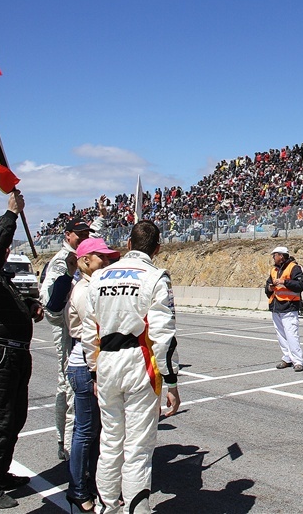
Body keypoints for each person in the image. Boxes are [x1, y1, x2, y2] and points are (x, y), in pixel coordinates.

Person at [81, 220, 180, 513]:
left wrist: (94, 371)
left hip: (106, 363)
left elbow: (90, 331)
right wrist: (172, 382)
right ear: (158, 248)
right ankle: (137, 510)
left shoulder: (99, 277)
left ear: (127, 244)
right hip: (140, 364)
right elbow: (164, 336)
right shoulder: (156, 277)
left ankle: (107, 506)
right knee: (137, 449)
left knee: (110, 443)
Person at [0, 192, 42, 509]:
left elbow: (8, 306)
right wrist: (11, 215)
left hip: (17, 354)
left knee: (14, 418)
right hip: (2, 355)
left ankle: (0, 472)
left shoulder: (1, 274)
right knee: (1, 420)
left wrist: (29, 306)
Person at [40, 200, 106, 461]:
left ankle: (77, 444)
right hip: (69, 331)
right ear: (67, 235)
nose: (84, 238)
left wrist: (100, 219)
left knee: (76, 392)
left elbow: (94, 242)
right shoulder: (60, 263)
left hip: (83, 328)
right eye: (79, 235)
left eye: (86, 234)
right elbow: (51, 308)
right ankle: (67, 446)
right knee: (67, 389)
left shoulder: (85, 254)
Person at [66, 238, 119, 512]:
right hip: (86, 366)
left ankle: (93, 485)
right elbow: (93, 333)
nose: (107, 262)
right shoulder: (86, 291)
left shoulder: (93, 286)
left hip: (91, 365)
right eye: (102, 257)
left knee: (95, 431)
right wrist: (96, 373)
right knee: (85, 432)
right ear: (85, 260)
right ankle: (78, 489)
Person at [265, 247, 303, 372]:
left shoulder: (294, 268)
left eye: (275, 255)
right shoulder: (274, 269)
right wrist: (270, 288)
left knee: (291, 334)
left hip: (289, 306)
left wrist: (284, 281)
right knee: (281, 335)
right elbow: (267, 286)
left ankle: (298, 361)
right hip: (276, 306)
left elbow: (300, 285)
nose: (273, 257)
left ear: (281, 256)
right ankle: (287, 358)